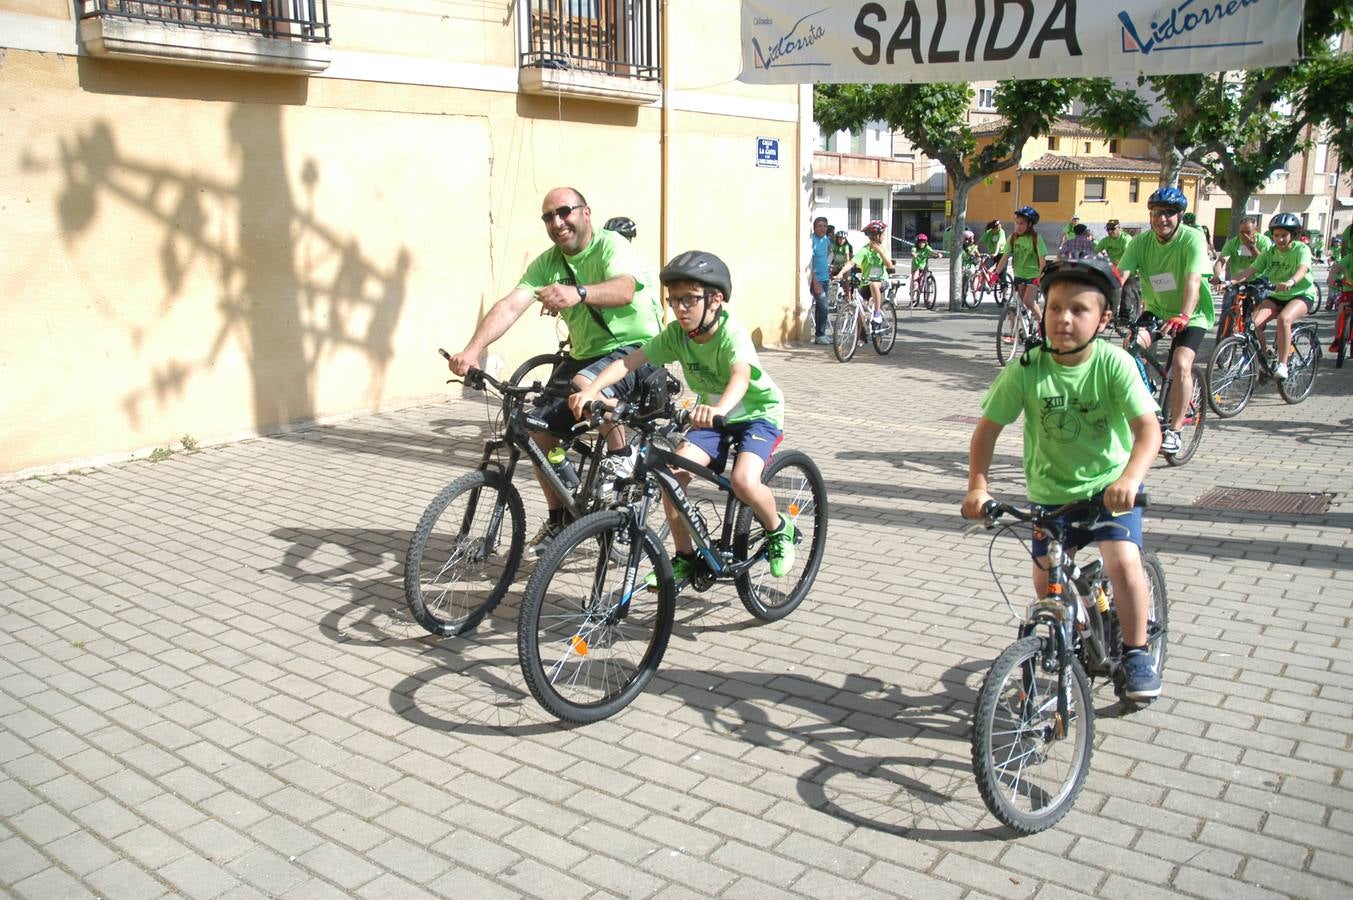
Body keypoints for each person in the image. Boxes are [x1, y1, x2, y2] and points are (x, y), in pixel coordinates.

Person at [963, 258, 1162, 700]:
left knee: (1123, 561)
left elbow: (1149, 430)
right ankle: (1067, 636)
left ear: (1104, 318)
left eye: (1078, 310)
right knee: (1046, 584)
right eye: (1054, 308)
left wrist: (1131, 477)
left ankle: (1136, 651)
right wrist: (978, 485)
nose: (1063, 319)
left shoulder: (1114, 364)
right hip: (1051, 495)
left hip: (1110, 490)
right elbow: (987, 431)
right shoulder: (1028, 368)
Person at [447, 187, 663, 548]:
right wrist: (472, 350)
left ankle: (622, 456)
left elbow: (624, 289)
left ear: (586, 212)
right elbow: (510, 306)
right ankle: (561, 518)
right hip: (585, 353)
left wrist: (578, 293)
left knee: (585, 383)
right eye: (548, 216)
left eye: (564, 212)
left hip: (637, 348)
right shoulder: (548, 263)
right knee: (536, 430)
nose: (557, 222)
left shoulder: (611, 245)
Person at [569, 250, 796, 581]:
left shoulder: (731, 334)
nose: (679, 308)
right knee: (671, 479)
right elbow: (628, 362)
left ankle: (779, 529)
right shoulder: (677, 334)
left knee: (744, 481)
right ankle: (686, 557)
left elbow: (740, 376)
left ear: (715, 299)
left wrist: (719, 409)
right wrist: (592, 390)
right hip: (712, 419)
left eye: (689, 299)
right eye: (673, 300)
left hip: (756, 413)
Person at [1117, 186, 1214, 456]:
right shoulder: (1139, 243)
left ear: (1180, 215)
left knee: (1182, 364)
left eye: (1169, 213)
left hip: (1191, 313)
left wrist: (1184, 314)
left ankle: (1175, 430)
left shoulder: (1192, 239)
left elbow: (1193, 280)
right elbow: (1120, 276)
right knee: (1131, 347)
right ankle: (1146, 400)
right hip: (1158, 310)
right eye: (1157, 213)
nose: (1162, 219)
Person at [1227, 212, 1316, 381]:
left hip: (1300, 295)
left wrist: (1291, 281)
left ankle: (1282, 364)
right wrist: (1229, 282)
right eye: (1276, 235)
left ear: (1292, 235)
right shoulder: (1270, 252)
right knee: (1252, 323)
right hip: (1276, 296)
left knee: (1284, 319)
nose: (1279, 239)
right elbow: (1250, 271)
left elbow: (1302, 269)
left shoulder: (1301, 249)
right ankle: (1267, 355)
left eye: (1284, 235)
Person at [994, 206, 1050, 335]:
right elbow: (1004, 257)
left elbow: (1042, 261)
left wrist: (1040, 277)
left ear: (1029, 224)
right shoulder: (1013, 238)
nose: (1018, 226)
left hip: (1033, 275)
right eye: (1017, 223)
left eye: (1022, 224)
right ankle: (1012, 333)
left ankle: (1042, 324)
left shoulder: (1036, 238)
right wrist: (996, 273)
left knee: (1028, 301)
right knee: (1015, 304)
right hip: (1018, 275)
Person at [835, 220, 895, 324]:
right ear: (876, 236)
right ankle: (861, 336)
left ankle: (877, 314)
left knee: (874, 284)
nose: (884, 236)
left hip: (881, 282)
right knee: (859, 309)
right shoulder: (865, 250)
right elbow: (851, 262)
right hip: (866, 283)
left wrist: (880, 251)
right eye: (883, 234)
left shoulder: (883, 249)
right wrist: (841, 273)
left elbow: (889, 265)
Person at [1213, 216, 1272, 283]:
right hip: (1237, 281)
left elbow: (1263, 262)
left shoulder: (1264, 241)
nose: (1244, 235)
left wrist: (1251, 246)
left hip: (1258, 281)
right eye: (1242, 232)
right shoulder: (1233, 242)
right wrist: (1216, 276)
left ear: (1255, 230)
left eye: (1248, 232)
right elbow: (1221, 260)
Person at [808, 216, 833, 345]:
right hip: (816, 279)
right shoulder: (812, 240)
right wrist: (814, 280)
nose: (822, 228)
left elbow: (829, 253)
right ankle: (820, 334)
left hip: (825, 278)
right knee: (823, 306)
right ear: (814, 227)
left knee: (821, 308)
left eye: (825, 226)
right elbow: (809, 262)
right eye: (820, 226)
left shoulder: (826, 240)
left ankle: (821, 334)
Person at [1327, 236, 1353, 354]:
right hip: (1349, 290)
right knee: (1341, 308)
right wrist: (1332, 277)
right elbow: (1337, 267)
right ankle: (1338, 337)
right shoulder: (1350, 257)